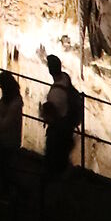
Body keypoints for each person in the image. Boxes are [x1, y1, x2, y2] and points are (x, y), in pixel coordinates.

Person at [41, 54, 83, 191]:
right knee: (63, 161)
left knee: (55, 163)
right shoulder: (66, 78)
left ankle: (55, 194)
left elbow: (51, 117)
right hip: (68, 128)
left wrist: (43, 112)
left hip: (58, 133)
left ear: (50, 70)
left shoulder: (55, 94)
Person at [0, 68, 25, 198]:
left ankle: (17, 191)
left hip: (10, 138)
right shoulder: (12, 100)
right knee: (5, 166)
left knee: (7, 167)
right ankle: (8, 190)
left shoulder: (15, 103)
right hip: (6, 138)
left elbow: (6, 123)